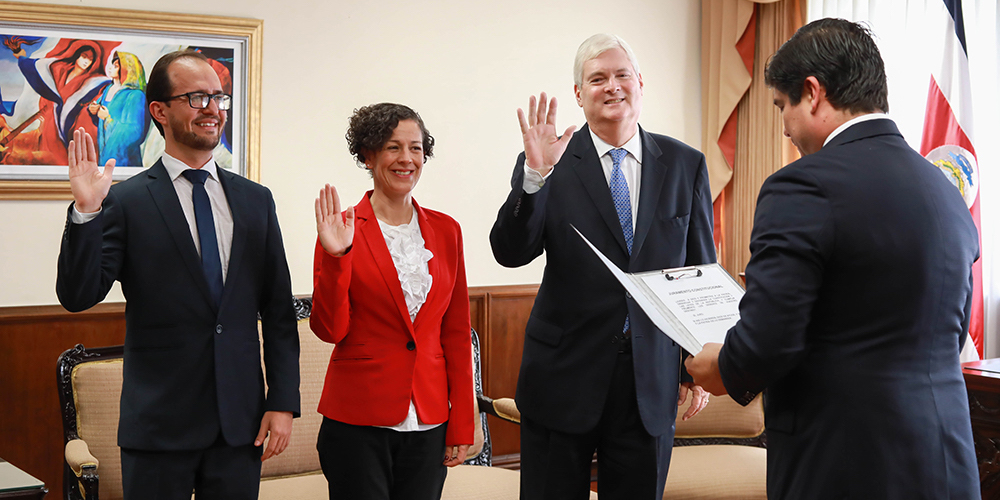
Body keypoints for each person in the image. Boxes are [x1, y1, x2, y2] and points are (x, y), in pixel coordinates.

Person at [685, 18, 981, 500]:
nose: (783, 127)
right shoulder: (944, 190)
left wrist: (719, 368)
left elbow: (767, 342)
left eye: (782, 107)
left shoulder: (801, 185)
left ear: (813, 91)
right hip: (945, 463)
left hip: (845, 466)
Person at [56, 49, 299, 500]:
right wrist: (87, 212)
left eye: (218, 98)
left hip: (239, 426)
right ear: (159, 111)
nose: (212, 109)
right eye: (196, 98)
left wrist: (282, 402)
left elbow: (280, 314)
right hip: (159, 427)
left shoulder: (255, 201)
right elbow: (78, 294)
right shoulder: (125, 202)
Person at [490, 34, 715, 500]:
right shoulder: (547, 162)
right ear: (578, 94)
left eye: (621, 75)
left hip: (649, 383)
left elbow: (698, 272)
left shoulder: (684, 164)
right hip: (562, 378)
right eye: (597, 79)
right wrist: (535, 177)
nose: (611, 86)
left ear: (639, 83)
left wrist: (693, 367)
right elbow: (511, 252)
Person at [310, 103, 474, 500]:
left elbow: (455, 332)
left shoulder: (447, 230)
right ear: (367, 155)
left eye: (416, 148)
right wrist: (337, 258)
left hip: (430, 420)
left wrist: (463, 422)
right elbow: (331, 330)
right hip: (358, 420)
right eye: (392, 147)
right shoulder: (342, 227)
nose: (406, 159)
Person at [7, 38, 115, 165]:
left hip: (74, 127)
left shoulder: (94, 82)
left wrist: (93, 108)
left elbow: (99, 102)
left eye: (90, 59)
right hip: (51, 124)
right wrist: (22, 57)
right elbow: (37, 70)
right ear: (77, 56)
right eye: (84, 56)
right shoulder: (58, 69)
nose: (86, 61)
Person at [89, 50, 150, 167]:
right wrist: (94, 110)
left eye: (116, 66)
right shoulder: (108, 89)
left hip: (124, 159)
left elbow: (134, 132)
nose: (110, 68)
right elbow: (101, 112)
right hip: (104, 153)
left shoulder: (135, 95)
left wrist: (107, 119)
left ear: (127, 70)